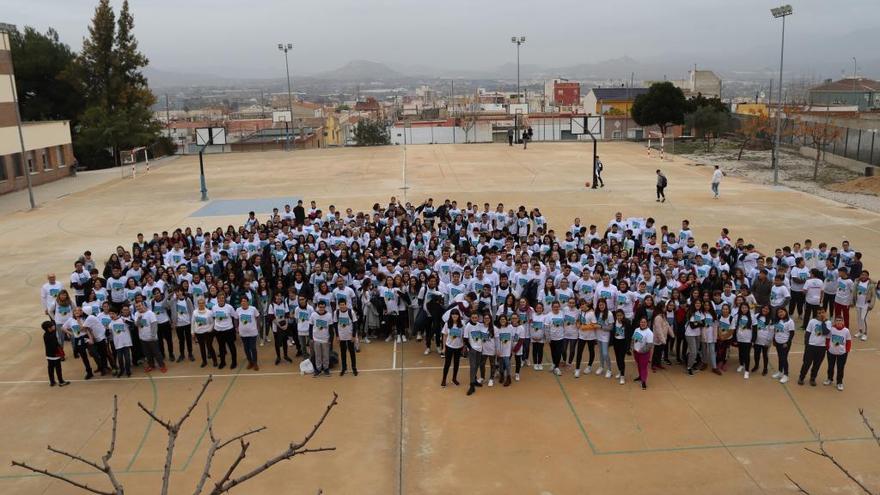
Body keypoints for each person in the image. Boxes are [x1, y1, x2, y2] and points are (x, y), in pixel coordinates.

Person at [799, 307, 830, 386]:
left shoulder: (828, 323)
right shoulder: (812, 321)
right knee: (806, 363)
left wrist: (823, 322)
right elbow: (807, 334)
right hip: (811, 346)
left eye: (823, 312)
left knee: (817, 364)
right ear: (816, 314)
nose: (821, 314)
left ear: (825, 313)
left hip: (821, 347)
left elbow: (825, 332)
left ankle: (813, 378)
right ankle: (801, 377)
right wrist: (807, 345)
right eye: (819, 313)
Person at [824, 315, 851, 391]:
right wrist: (828, 348)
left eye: (840, 320)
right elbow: (828, 338)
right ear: (835, 322)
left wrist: (846, 351)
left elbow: (848, 341)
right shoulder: (832, 329)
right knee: (830, 366)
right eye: (837, 320)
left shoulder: (846, 331)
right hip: (831, 352)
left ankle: (839, 382)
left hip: (842, 353)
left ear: (843, 321)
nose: (838, 322)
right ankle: (829, 379)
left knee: (840, 368)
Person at [440, 309, 464, 387]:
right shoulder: (447, 324)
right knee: (447, 364)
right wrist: (444, 347)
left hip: (459, 347)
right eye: (453, 314)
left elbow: (464, 336)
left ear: (458, 315)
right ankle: (444, 379)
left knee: (456, 364)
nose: (454, 315)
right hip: (449, 347)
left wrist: (464, 346)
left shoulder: (462, 324)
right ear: (451, 315)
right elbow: (444, 335)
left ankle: (454, 379)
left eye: (456, 314)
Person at [335, 299, 359, 376]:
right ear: (339, 305)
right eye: (340, 305)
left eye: (343, 304)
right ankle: (344, 368)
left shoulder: (351, 312)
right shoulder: (337, 312)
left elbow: (355, 324)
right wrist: (337, 336)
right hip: (341, 336)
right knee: (343, 353)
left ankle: (354, 368)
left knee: (352, 352)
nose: (342, 306)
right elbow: (335, 325)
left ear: (346, 304)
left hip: (349, 336)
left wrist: (353, 336)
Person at [236, 297, 260, 371]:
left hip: (252, 332)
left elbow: (258, 317)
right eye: (242, 301)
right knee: (246, 348)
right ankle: (250, 362)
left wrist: (258, 327)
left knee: (252, 347)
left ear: (248, 302)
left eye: (245, 301)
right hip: (243, 333)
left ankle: (255, 363)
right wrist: (236, 328)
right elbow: (236, 319)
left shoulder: (253, 309)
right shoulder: (238, 310)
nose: (243, 302)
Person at [43, 321, 69, 387]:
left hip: (48, 355)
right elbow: (56, 345)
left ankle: (52, 382)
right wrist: (60, 352)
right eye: (52, 326)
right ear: (49, 328)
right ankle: (61, 381)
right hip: (55, 354)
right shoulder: (53, 335)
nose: (54, 326)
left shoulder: (45, 335)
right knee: (58, 368)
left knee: (50, 368)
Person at [631, 317, 654, 390]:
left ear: (647, 323)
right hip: (636, 352)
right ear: (639, 323)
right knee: (639, 365)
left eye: (644, 322)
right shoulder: (636, 329)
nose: (643, 323)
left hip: (644, 353)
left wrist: (641, 351)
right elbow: (633, 339)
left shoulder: (649, 333)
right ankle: (640, 376)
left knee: (643, 367)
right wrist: (632, 347)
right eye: (641, 322)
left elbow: (649, 345)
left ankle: (643, 381)